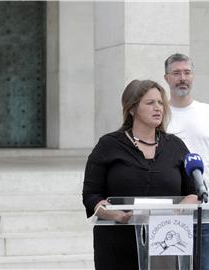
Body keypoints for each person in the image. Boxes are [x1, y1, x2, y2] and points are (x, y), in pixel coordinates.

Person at [82, 79, 198, 270]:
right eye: (150, 103)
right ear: (131, 109)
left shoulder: (175, 146)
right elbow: (91, 195)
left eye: (161, 103)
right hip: (117, 244)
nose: (158, 108)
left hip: (166, 245)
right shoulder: (108, 145)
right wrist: (110, 213)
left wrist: (177, 211)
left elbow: (193, 192)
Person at [164, 53, 209, 270]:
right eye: (176, 73)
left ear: (193, 76)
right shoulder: (159, 114)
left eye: (187, 72)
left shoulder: (208, 112)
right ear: (166, 78)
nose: (182, 77)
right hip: (169, 215)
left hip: (207, 214)